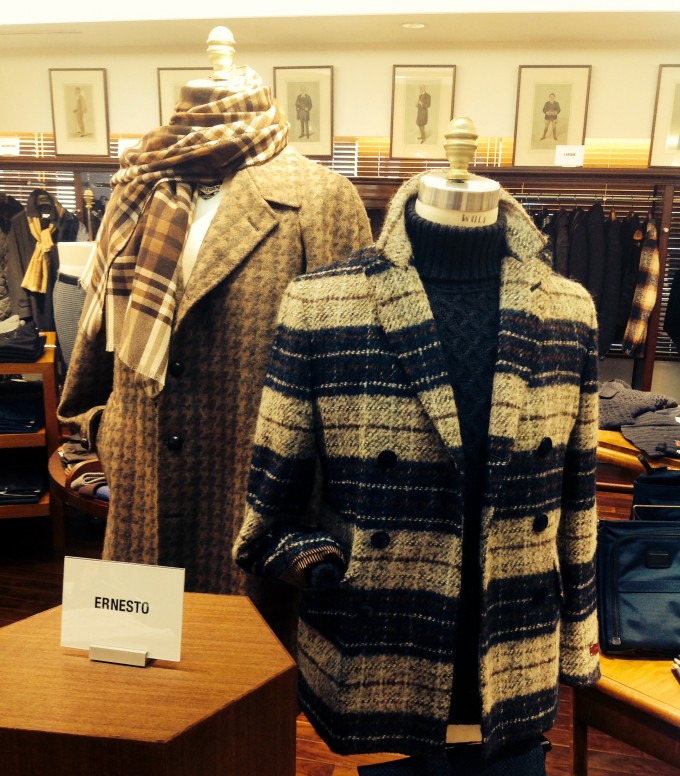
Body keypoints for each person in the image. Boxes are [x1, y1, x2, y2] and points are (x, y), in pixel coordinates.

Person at [234, 121, 600, 774]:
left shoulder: (570, 310)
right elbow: (268, 517)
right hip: (374, 646)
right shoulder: (321, 303)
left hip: (515, 655)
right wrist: (320, 563)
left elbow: (578, 505)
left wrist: (580, 643)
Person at [57, 65, 372, 655]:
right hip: (141, 493)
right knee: (130, 678)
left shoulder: (322, 199)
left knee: (239, 689)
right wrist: (105, 433)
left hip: (250, 500)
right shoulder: (138, 188)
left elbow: (353, 382)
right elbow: (99, 353)